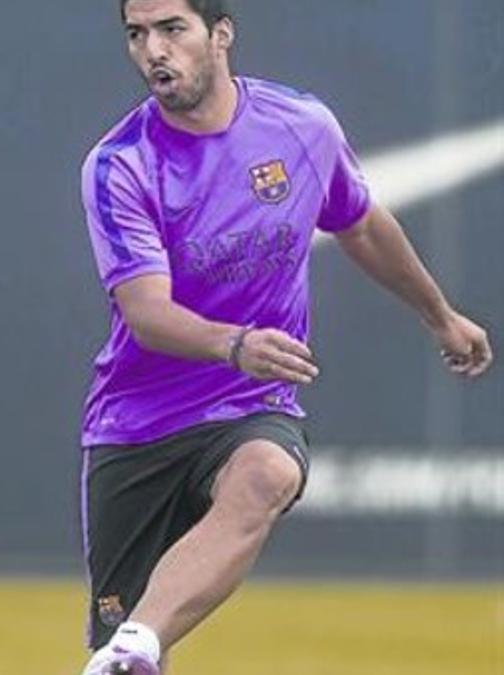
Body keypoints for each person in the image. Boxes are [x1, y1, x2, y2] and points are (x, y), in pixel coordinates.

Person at [75, 0, 493, 673]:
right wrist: (236, 342)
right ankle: (129, 646)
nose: (154, 50)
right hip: (136, 426)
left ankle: (138, 641)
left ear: (222, 34)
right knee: (111, 661)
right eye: (136, 34)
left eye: (172, 29)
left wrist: (439, 314)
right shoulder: (118, 163)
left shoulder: (300, 126)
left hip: (249, 405)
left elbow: (359, 223)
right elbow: (146, 312)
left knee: (267, 472)